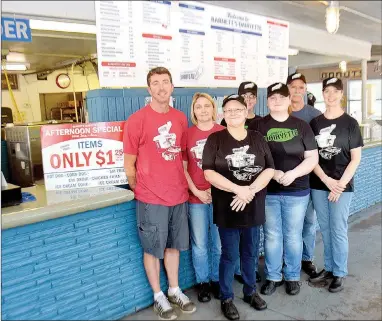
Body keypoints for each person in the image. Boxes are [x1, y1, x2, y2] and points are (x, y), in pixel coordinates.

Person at [123, 67, 196, 320]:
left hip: (178, 195)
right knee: (153, 248)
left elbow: (182, 157)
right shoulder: (137, 120)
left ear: (172, 87)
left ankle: (174, 289)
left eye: (166, 82)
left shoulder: (179, 118)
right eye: (156, 83)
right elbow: (128, 165)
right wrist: (140, 188)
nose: (161, 87)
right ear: (148, 89)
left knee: (173, 246)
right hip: (150, 198)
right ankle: (158, 296)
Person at [203, 94, 275, 320]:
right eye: (229, 110)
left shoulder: (257, 137)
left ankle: (250, 292)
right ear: (223, 114)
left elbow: (269, 169)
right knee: (229, 254)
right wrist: (238, 189)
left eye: (238, 109)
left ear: (246, 113)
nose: (233, 113)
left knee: (251, 253)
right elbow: (209, 172)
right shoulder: (215, 139)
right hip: (228, 208)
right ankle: (226, 297)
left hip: (253, 206)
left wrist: (249, 191)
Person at [249, 82, 318, 296]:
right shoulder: (259, 126)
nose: (277, 100)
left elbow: (312, 157)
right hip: (268, 191)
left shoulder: (301, 126)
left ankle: (292, 276)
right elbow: (253, 157)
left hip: (297, 190)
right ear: (267, 101)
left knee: (293, 235)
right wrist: (274, 173)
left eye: (281, 97)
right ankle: (273, 276)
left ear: (289, 100)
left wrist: (293, 174)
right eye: (272, 97)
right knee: (271, 235)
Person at [308, 77, 363, 293]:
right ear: (322, 94)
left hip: (342, 185)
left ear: (341, 94)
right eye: (326, 91)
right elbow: (312, 158)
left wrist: (339, 184)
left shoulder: (350, 123)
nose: (330, 96)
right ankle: (329, 268)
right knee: (325, 227)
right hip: (320, 183)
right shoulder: (315, 124)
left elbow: (355, 158)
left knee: (338, 228)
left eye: (335, 91)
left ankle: (339, 272)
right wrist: (326, 180)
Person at [183, 93, 224, 303]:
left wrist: (215, 191)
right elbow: (183, 169)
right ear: (194, 111)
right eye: (198, 106)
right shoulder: (187, 134)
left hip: (219, 197)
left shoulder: (223, 132)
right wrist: (197, 191)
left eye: (207, 106)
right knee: (199, 244)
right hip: (196, 197)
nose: (203, 110)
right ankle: (203, 282)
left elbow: (228, 167)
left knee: (218, 243)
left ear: (213, 109)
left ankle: (217, 280)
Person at [287, 72, 322, 278]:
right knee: (289, 226)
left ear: (306, 90)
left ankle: (307, 259)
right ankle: (288, 260)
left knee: (308, 222)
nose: (297, 91)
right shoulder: (279, 112)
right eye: (293, 87)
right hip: (285, 182)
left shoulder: (315, 116)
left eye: (301, 87)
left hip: (309, 180)